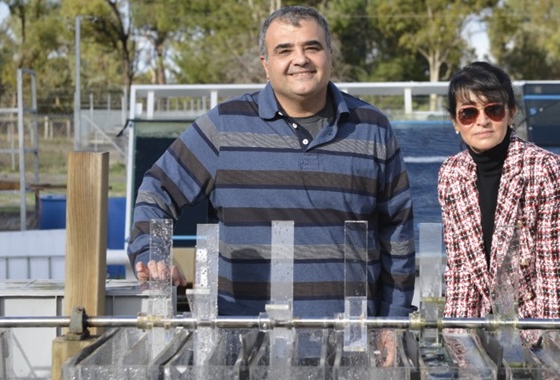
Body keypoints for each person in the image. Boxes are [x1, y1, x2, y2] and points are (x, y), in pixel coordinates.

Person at [128, 5, 416, 318]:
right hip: (247, 346)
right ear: (266, 64)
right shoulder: (224, 126)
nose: (300, 59)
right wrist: (154, 250)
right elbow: (157, 190)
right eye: (284, 50)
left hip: (351, 342)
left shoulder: (372, 127)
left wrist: (393, 323)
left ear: (330, 55)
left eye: (312, 47)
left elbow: (397, 233)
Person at [438, 61, 560, 321]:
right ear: (455, 122)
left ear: (511, 113)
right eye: (468, 113)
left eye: (493, 110)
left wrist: (549, 349)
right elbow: (460, 272)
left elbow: (553, 272)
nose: (482, 121)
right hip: (484, 332)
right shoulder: (450, 175)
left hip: (536, 327)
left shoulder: (544, 168)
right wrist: (461, 346)